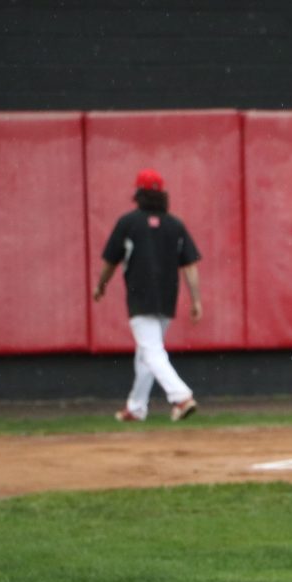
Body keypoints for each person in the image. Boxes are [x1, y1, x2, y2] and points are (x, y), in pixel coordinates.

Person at [93, 168, 201, 422]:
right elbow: (190, 265)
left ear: (138, 193)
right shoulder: (175, 224)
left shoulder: (128, 223)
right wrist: (196, 299)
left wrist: (101, 285)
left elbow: (110, 260)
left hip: (140, 295)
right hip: (166, 296)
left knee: (151, 351)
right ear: (163, 194)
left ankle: (181, 396)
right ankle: (136, 408)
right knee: (147, 353)